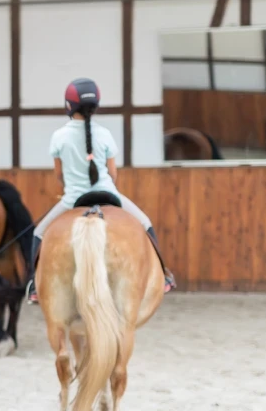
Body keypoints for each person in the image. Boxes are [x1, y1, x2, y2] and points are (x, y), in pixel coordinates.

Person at [27, 78, 175, 305]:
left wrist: (70, 186)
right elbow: (112, 173)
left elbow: (59, 175)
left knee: (38, 233)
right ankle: (164, 274)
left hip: (73, 199)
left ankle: (35, 286)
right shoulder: (105, 133)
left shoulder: (59, 136)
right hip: (109, 194)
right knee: (145, 223)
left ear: (69, 105)